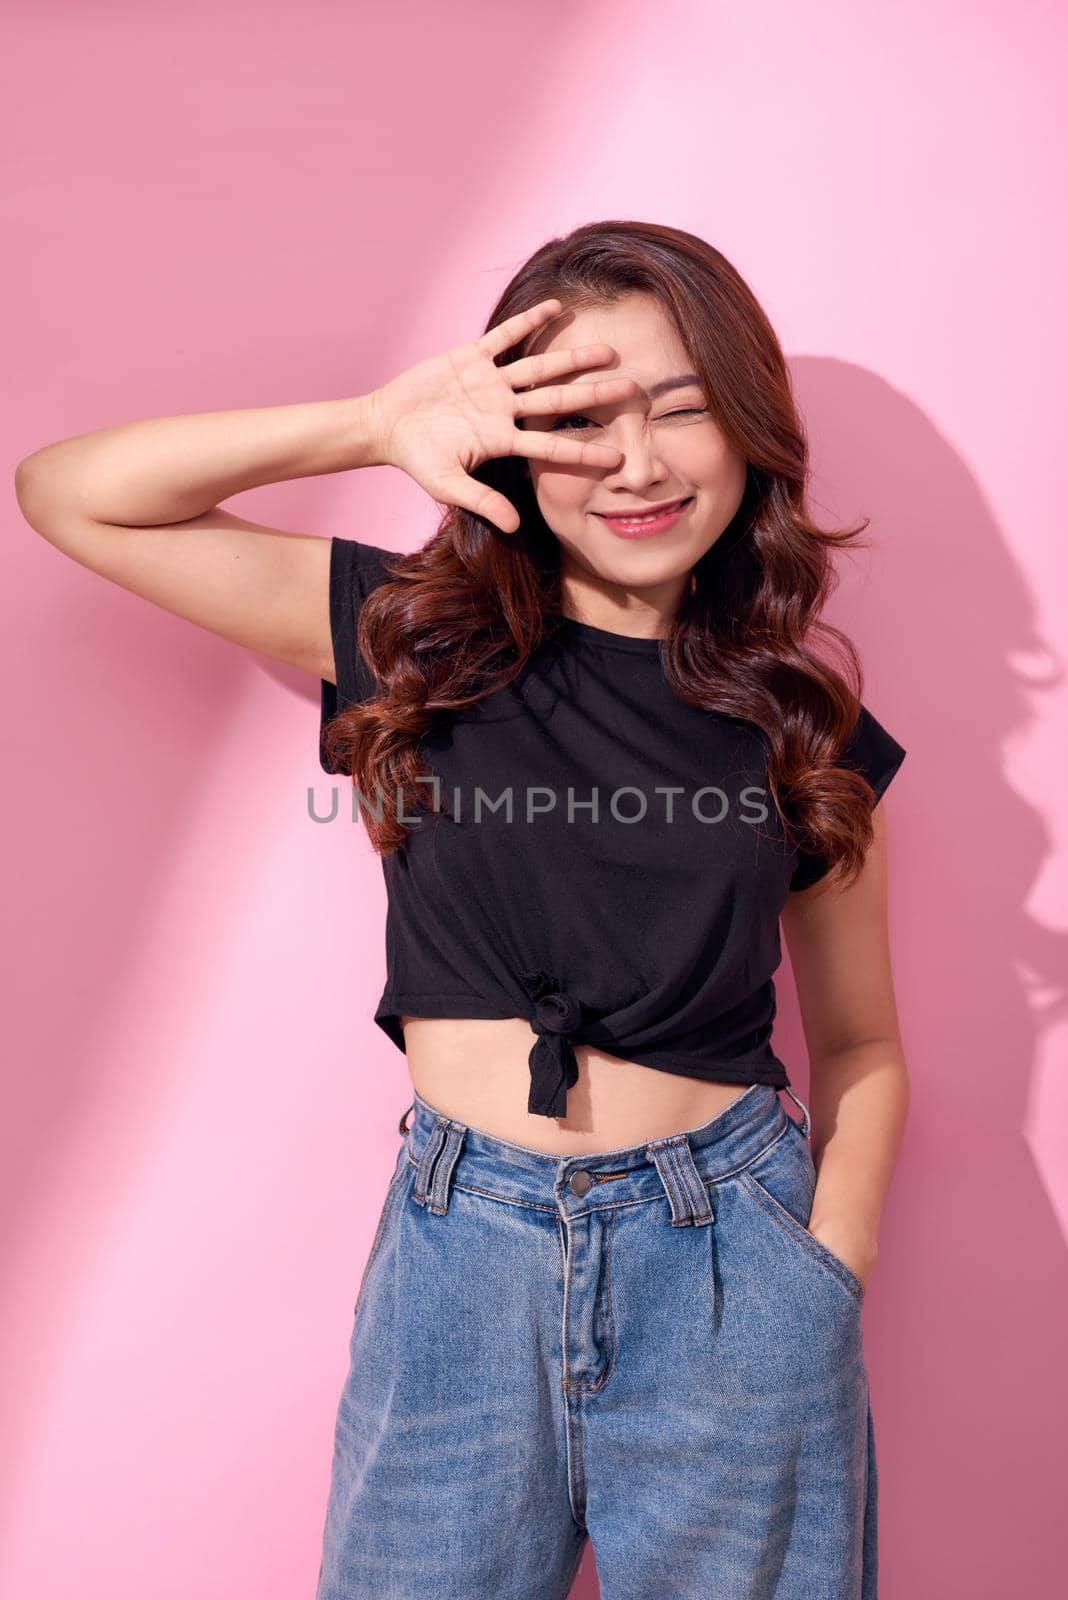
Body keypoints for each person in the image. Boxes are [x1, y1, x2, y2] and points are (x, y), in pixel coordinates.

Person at [16, 220, 908, 1599]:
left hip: (729, 1255)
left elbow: (862, 1046)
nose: (637, 462)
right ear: (504, 437)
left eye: (682, 410)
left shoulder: (802, 727)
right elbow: (72, 493)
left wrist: (822, 1280)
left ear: (748, 436)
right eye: (580, 418)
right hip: (461, 1249)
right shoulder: (409, 636)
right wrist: (377, 422)